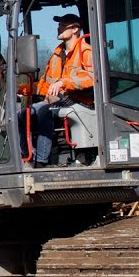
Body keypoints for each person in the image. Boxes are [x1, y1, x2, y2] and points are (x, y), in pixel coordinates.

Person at [28, 13, 94, 168]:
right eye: (59, 25)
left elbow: (92, 78)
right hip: (59, 101)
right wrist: (19, 88)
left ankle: (41, 162)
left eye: (63, 24)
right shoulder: (56, 55)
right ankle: (26, 157)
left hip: (80, 101)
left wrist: (64, 82)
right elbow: (45, 84)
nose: (59, 27)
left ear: (75, 29)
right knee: (23, 114)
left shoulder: (86, 52)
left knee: (43, 111)